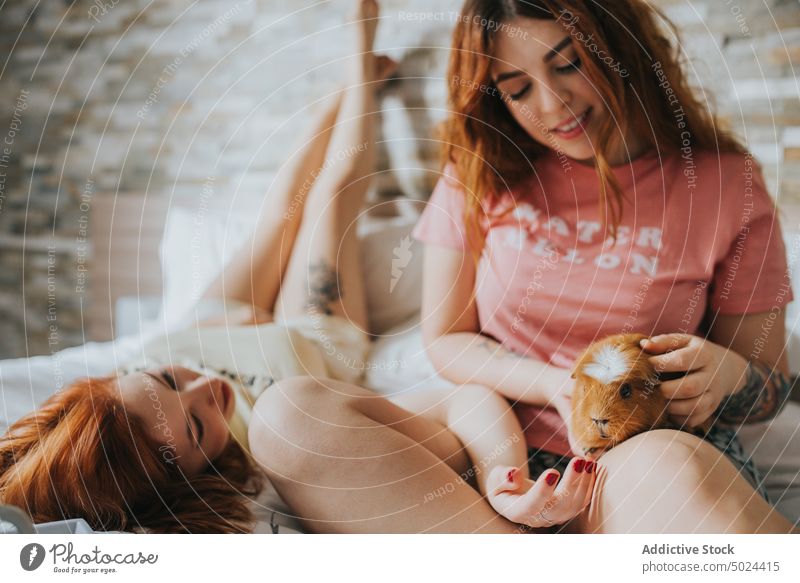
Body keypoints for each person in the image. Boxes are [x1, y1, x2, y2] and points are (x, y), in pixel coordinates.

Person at [249, 0, 798, 533]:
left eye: (568, 65)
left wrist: (732, 377)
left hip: (635, 454)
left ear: (618, 47)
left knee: (675, 474)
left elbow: (769, 387)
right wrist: (557, 387)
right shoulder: (481, 171)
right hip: (490, 447)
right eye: (517, 89)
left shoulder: (726, 185)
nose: (553, 103)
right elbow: (446, 341)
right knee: (288, 418)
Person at [0, 0, 397, 534]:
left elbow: (162, 375)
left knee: (277, 216)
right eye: (195, 426)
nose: (206, 389)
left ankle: (340, 97)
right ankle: (359, 63)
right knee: (332, 196)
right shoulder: (257, 465)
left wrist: (192, 352)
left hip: (206, 330)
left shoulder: (128, 400)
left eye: (168, 381)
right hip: (305, 343)